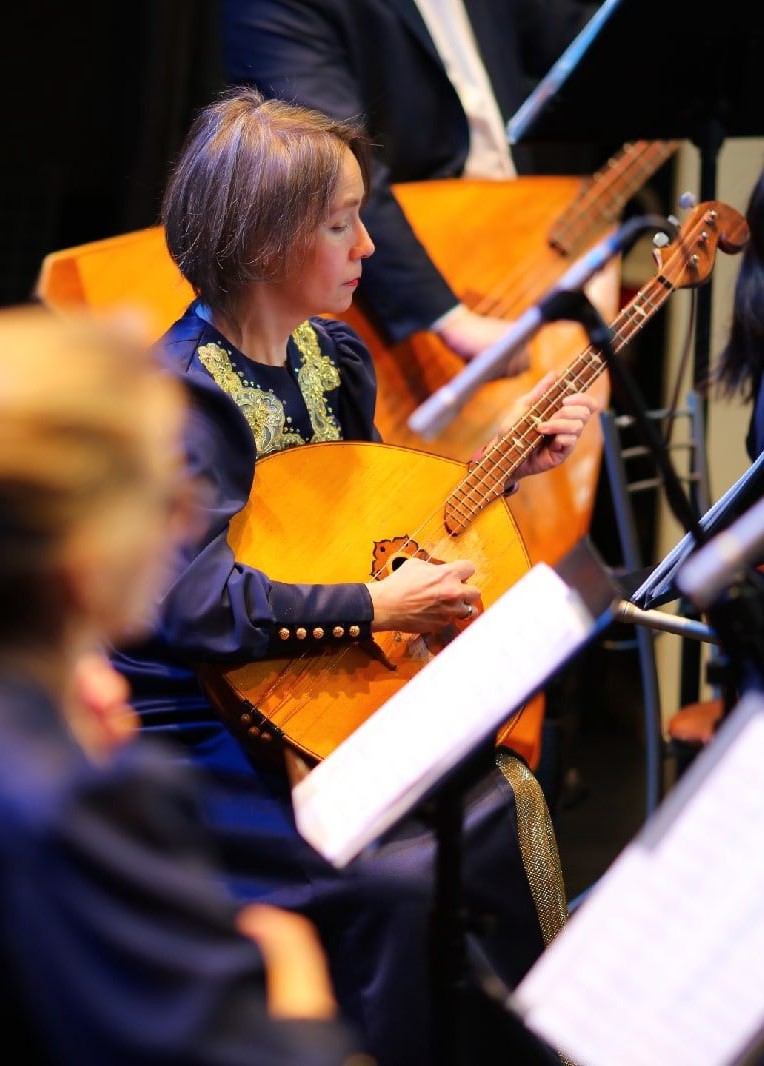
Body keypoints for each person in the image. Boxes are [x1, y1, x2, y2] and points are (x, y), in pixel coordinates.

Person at [110, 86, 598, 1066]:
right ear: (261, 244)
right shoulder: (185, 397)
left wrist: (506, 469)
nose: (366, 250)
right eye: (341, 226)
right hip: (203, 727)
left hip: (310, 688)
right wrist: (374, 606)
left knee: (493, 797)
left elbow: (362, 519)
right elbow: (199, 608)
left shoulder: (332, 356)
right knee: (402, 877)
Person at [0, 304, 369, 1065]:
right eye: (163, 498)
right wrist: (296, 976)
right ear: (82, 567)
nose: (184, 522)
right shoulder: (82, 799)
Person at [220, 0, 600, 367]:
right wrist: (448, 319)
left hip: (513, 248)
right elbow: (334, 165)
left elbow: (585, 41)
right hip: (399, 297)